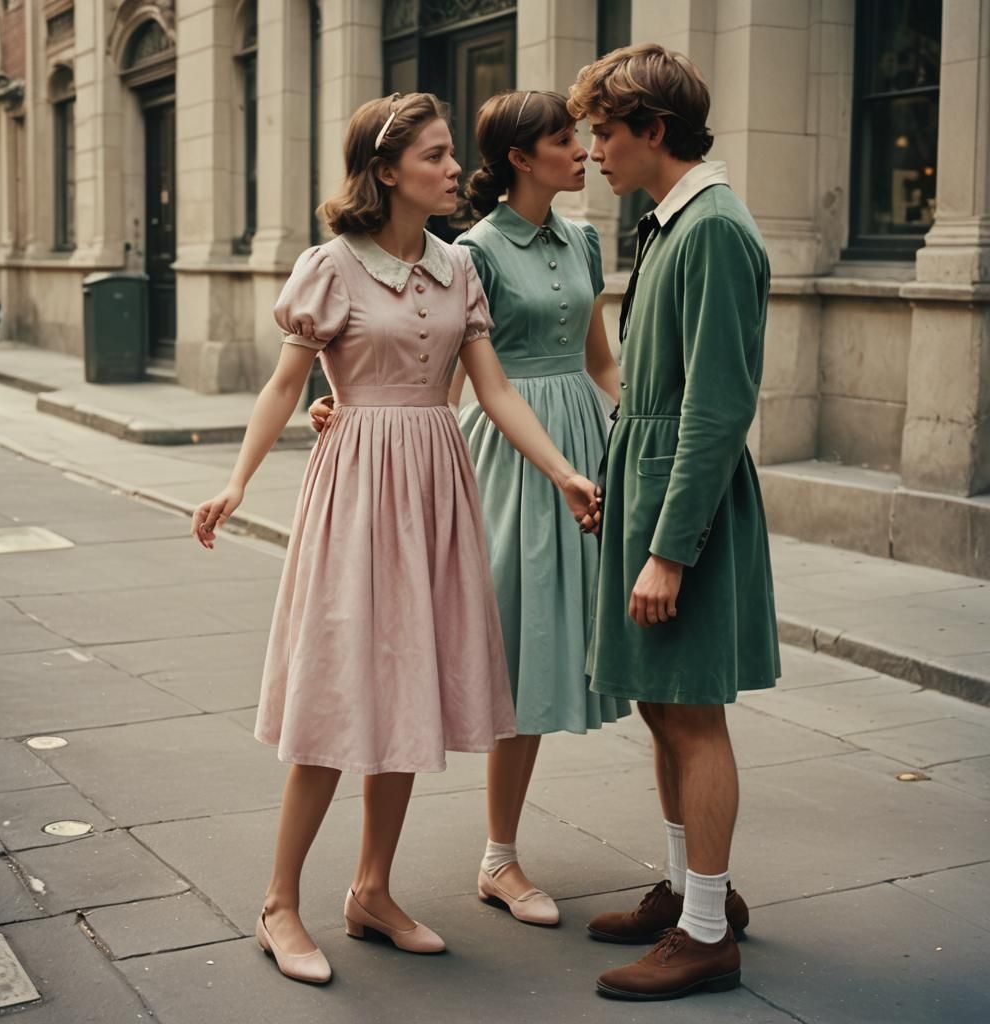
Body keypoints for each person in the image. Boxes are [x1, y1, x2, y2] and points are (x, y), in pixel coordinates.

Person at [190, 91, 600, 985]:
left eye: (454, 154)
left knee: (409, 691)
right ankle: (279, 904)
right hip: (357, 492)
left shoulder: (459, 267)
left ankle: (372, 890)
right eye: (437, 156)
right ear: (386, 172)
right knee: (339, 698)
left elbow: (493, 390)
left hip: (437, 484)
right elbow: (282, 387)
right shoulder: (331, 265)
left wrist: (563, 470)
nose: (456, 169)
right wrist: (235, 480)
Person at [311, 89, 631, 928]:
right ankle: (498, 856)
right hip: (496, 456)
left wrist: (634, 434)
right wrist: (357, 414)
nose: (585, 151)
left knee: (579, 644)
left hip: (576, 447)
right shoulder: (473, 250)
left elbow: (602, 360)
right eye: (567, 139)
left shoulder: (587, 240)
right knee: (510, 647)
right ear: (522, 156)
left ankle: (672, 868)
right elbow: (441, 373)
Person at [567, 44, 780, 1000]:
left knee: (692, 713)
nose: (596, 152)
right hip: (651, 497)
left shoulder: (714, 231)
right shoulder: (667, 224)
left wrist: (667, 550)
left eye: (606, 134)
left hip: (682, 517)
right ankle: (698, 893)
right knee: (661, 706)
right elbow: (650, 393)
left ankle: (706, 936)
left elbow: (718, 408)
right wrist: (620, 493)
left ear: (655, 129)